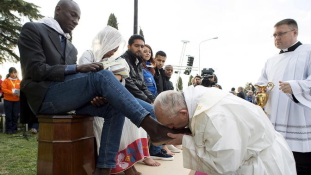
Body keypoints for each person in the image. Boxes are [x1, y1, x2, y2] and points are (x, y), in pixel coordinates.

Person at [18, 1, 189, 174]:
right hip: (45, 97)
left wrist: (91, 94)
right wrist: (77, 68)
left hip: (65, 98)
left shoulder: (71, 47)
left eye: (78, 18)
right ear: (58, 10)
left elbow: (72, 84)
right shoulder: (33, 29)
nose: (76, 21)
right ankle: (153, 128)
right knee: (102, 74)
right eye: (73, 15)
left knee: (114, 108)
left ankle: (104, 168)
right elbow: (35, 70)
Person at [154, 86, 296, 175]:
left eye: (171, 124)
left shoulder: (214, 117)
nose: (172, 128)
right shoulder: (196, 98)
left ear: (183, 113)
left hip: (260, 164)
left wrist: (185, 141)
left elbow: (224, 165)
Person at [79, 26, 160, 174]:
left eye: (116, 47)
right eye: (112, 46)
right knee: (124, 116)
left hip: (108, 99)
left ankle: (129, 164)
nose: (114, 50)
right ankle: (125, 167)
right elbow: (85, 82)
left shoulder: (115, 61)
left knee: (133, 122)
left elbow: (119, 82)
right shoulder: (88, 56)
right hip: (91, 101)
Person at [257, 18, 311, 175]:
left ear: (295, 32)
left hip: (300, 119)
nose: (277, 38)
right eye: (274, 35)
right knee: (278, 162)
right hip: (275, 121)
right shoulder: (271, 60)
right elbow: (262, 82)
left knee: (300, 165)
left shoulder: (308, 52)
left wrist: (295, 87)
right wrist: (261, 92)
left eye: (281, 34)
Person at [121, 35, 155, 104]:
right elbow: (130, 86)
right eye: (136, 46)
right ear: (129, 46)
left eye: (142, 46)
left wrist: (153, 99)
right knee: (153, 111)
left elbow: (143, 85)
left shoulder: (139, 63)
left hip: (138, 98)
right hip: (127, 99)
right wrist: (148, 101)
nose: (140, 49)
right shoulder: (122, 61)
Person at [1, 67, 21, 134]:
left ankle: (14, 129)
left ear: (16, 73)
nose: (13, 74)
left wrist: (20, 94)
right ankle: (9, 129)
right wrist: (11, 92)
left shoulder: (19, 81)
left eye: (14, 72)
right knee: (9, 115)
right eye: (12, 73)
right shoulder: (6, 81)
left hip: (17, 100)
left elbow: (22, 89)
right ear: (9, 73)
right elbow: (4, 89)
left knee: (15, 115)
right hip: (8, 100)